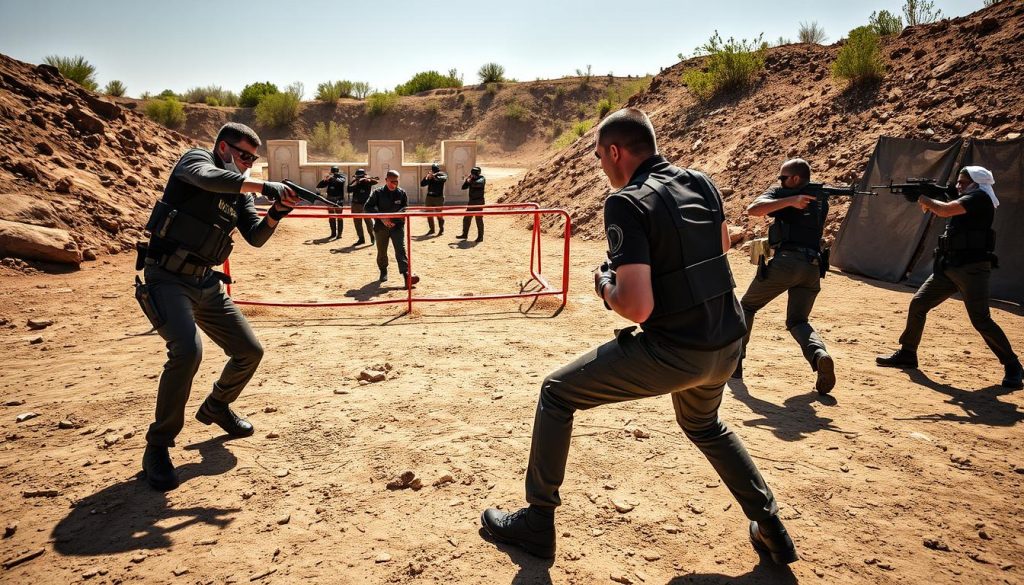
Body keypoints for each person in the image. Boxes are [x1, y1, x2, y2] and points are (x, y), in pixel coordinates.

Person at [479, 108, 798, 565]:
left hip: (676, 351)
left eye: (598, 156)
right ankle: (771, 528)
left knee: (556, 393)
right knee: (704, 425)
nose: (600, 166)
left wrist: (604, 284)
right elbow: (721, 244)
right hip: (728, 343)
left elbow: (637, 306)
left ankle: (537, 521)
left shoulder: (625, 202)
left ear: (615, 152)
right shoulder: (701, 182)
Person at [137, 122, 301, 491]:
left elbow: (255, 237)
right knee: (187, 351)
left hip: (205, 283)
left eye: (253, 160)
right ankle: (158, 445)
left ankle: (216, 406)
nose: (248, 165)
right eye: (244, 156)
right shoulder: (197, 161)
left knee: (249, 351)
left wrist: (276, 211)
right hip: (167, 276)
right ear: (224, 148)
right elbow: (208, 179)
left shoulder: (240, 192)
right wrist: (264, 185)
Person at [877, 166, 1023, 388]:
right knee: (919, 304)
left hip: (972, 269)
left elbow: (944, 210)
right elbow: (947, 202)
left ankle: (1013, 366)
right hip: (949, 267)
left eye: (963, 182)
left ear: (976, 183)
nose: (958, 186)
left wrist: (922, 197)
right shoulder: (967, 196)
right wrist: (931, 194)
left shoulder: (979, 198)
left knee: (981, 320)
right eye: (958, 182)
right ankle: (908, 353)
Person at [734, 159, 836, 394]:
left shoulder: (792, 198)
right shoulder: (819, 200)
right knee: (798, 321)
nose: (779, 182)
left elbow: (754, 209)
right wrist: (792, 199)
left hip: (788, 262)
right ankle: (819, 354)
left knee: (746, 306)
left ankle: (735, 363)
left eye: (783, 178)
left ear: (796, 179)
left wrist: (790, 200)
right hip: (812, 267)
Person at [365, 170, 419, 286]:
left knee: (400, 250)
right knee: (382, 251)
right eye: (392, 181)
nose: (395, 184)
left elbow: (404, 209)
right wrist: (382, 218)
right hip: (381, 227)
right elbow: (367, 207)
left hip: (397, 226)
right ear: (386, 180)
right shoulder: (377, 193)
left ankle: (407, 276)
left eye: (397, 181)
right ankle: (383, 271)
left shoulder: (401, 193)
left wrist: (394, 220)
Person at [316, 165, 347, 240]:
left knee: (339, 217)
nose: (333, 173)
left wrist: (332, 177)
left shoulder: (341, 177)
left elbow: (340, 182)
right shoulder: (329, 178)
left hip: (338, 199)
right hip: (330, 199)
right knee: (331, 216)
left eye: (334, 172)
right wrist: (325, 180)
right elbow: (319, 186)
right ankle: (333, 233)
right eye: (333, 172)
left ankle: (339, 234)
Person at [349, 168, 378, 245]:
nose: (359, 177)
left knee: (369, 222)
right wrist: (355, 181)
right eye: (358, 176)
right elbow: (348, 189)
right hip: (355, 205)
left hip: (365, 205)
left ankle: (373, 237)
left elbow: (376, 181)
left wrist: (367, 179)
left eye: (360, 176)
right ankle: (361, 239)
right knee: (357, 223)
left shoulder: (367, 181)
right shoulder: (355, 182)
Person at [457, 166, 485, 242]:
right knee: (466, 218)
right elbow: (464, 187)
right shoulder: (471, 179)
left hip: (479, 202)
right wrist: (467, 181)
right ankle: (464, 234)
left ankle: (480, 237)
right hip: (471, 202)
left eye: (474, 174)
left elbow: (478, 184)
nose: (473, 175)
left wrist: (470, 181)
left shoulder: (482, 178)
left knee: (478, 219)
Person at [420, 163, 448, 235]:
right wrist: (427, 177)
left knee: (439, 214)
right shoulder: (429, 175)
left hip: (438, 197)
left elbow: (443, 179)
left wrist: (434, 176)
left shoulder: (441, 174)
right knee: (429, 214)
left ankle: (441, 229)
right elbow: (422, 184)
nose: (434, 171)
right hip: (429, 197)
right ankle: (432, 229)